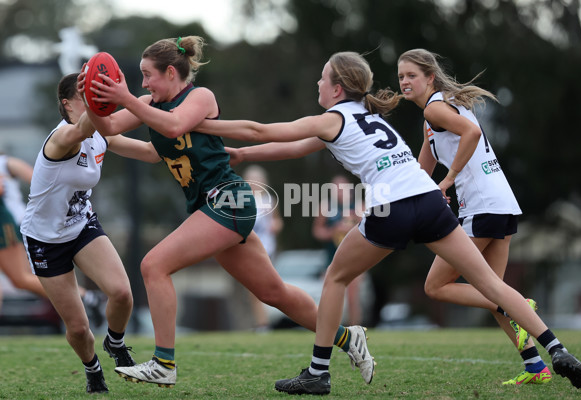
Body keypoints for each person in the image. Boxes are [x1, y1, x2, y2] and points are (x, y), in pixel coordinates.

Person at [191, 51, 581, 394]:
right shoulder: (368, 118)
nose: (318, 83)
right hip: (429, 201)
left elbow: (260, 129)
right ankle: (555, 348)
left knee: (335, 278)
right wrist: (242, 157)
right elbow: (296, 146)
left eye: (322, 78)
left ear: (336, 89)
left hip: (394, 206)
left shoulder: (333, 118)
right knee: (490, 284)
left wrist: (199, 123)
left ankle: (317, 373)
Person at [80, 35, 374, 388]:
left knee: (153, 265)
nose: (143, 84)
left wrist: (123, 97)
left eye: (147, 75)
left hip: (228, 200)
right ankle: (347, 337)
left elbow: (173, 126)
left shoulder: (199, 97)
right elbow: (111, 129)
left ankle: (163, 363)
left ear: (171, 72)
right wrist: (91, 102)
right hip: (212, 207)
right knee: (273, 293)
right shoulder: (147, 102)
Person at [397, 48, 550, 385]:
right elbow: (422, 170)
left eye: (411, 75)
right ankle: (536, 366)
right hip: (502, 203)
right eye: (401, 76)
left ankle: (519, 304)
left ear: (429, 78)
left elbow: (472, 134)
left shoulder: (437, 107)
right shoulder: (437, 112)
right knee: (494, 290)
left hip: (482, 206)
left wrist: (448, 179)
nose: (405, 81)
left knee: (437, 286)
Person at [19, 73, 139, 394]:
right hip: (45, 239)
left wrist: (169, 101)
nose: (99, 105)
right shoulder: (62, 138)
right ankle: (92, 369)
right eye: (89, 98)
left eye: (101, 98)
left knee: (123, 293)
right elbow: (87, 126)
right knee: (79, 328)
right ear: (67, 104)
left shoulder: (101, 133)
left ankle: (115, 343)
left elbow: (152, 149)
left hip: (81, 225)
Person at [0, 153, 105, 325]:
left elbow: (40, 183)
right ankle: (86, 297)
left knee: (21, 278)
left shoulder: (6, 163)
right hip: (11, 224)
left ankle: (84, 297)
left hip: (12, 224)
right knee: (22, 279)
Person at [312, 174, 364, 326]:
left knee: (353, 297)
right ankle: (329, 327)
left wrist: (354, 223)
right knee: (330, 295)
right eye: (336, 189)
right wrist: (333, 231)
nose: (340, 192)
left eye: (343, 188)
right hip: (331, 257)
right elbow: (317, 231)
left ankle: (355, 328)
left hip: (354, 257)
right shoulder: (326, 207)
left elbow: (369, 229)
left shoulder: (359, 206)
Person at [242, 165, 283, 332]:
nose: (255, 183)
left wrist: (275, 225)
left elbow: (278, 222)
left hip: (267, 248)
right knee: (254, 288)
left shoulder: (269, 200)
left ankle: (265, 323)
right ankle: (262, 323)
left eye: (258, 180)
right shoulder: (243, 199)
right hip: (248, 249)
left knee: (265, 286)